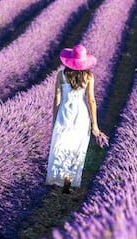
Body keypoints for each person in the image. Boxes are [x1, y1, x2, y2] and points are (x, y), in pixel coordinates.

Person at [46, 44, 100, 194]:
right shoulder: (89, 76)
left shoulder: (61, 75)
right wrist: (95, 125)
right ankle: (68, 181)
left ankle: (60, 178)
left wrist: (54, 119)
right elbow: (91, 100)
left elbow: (57, 98)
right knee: (77, 147)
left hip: (65, 114)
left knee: (62, 145)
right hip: (81, 116)